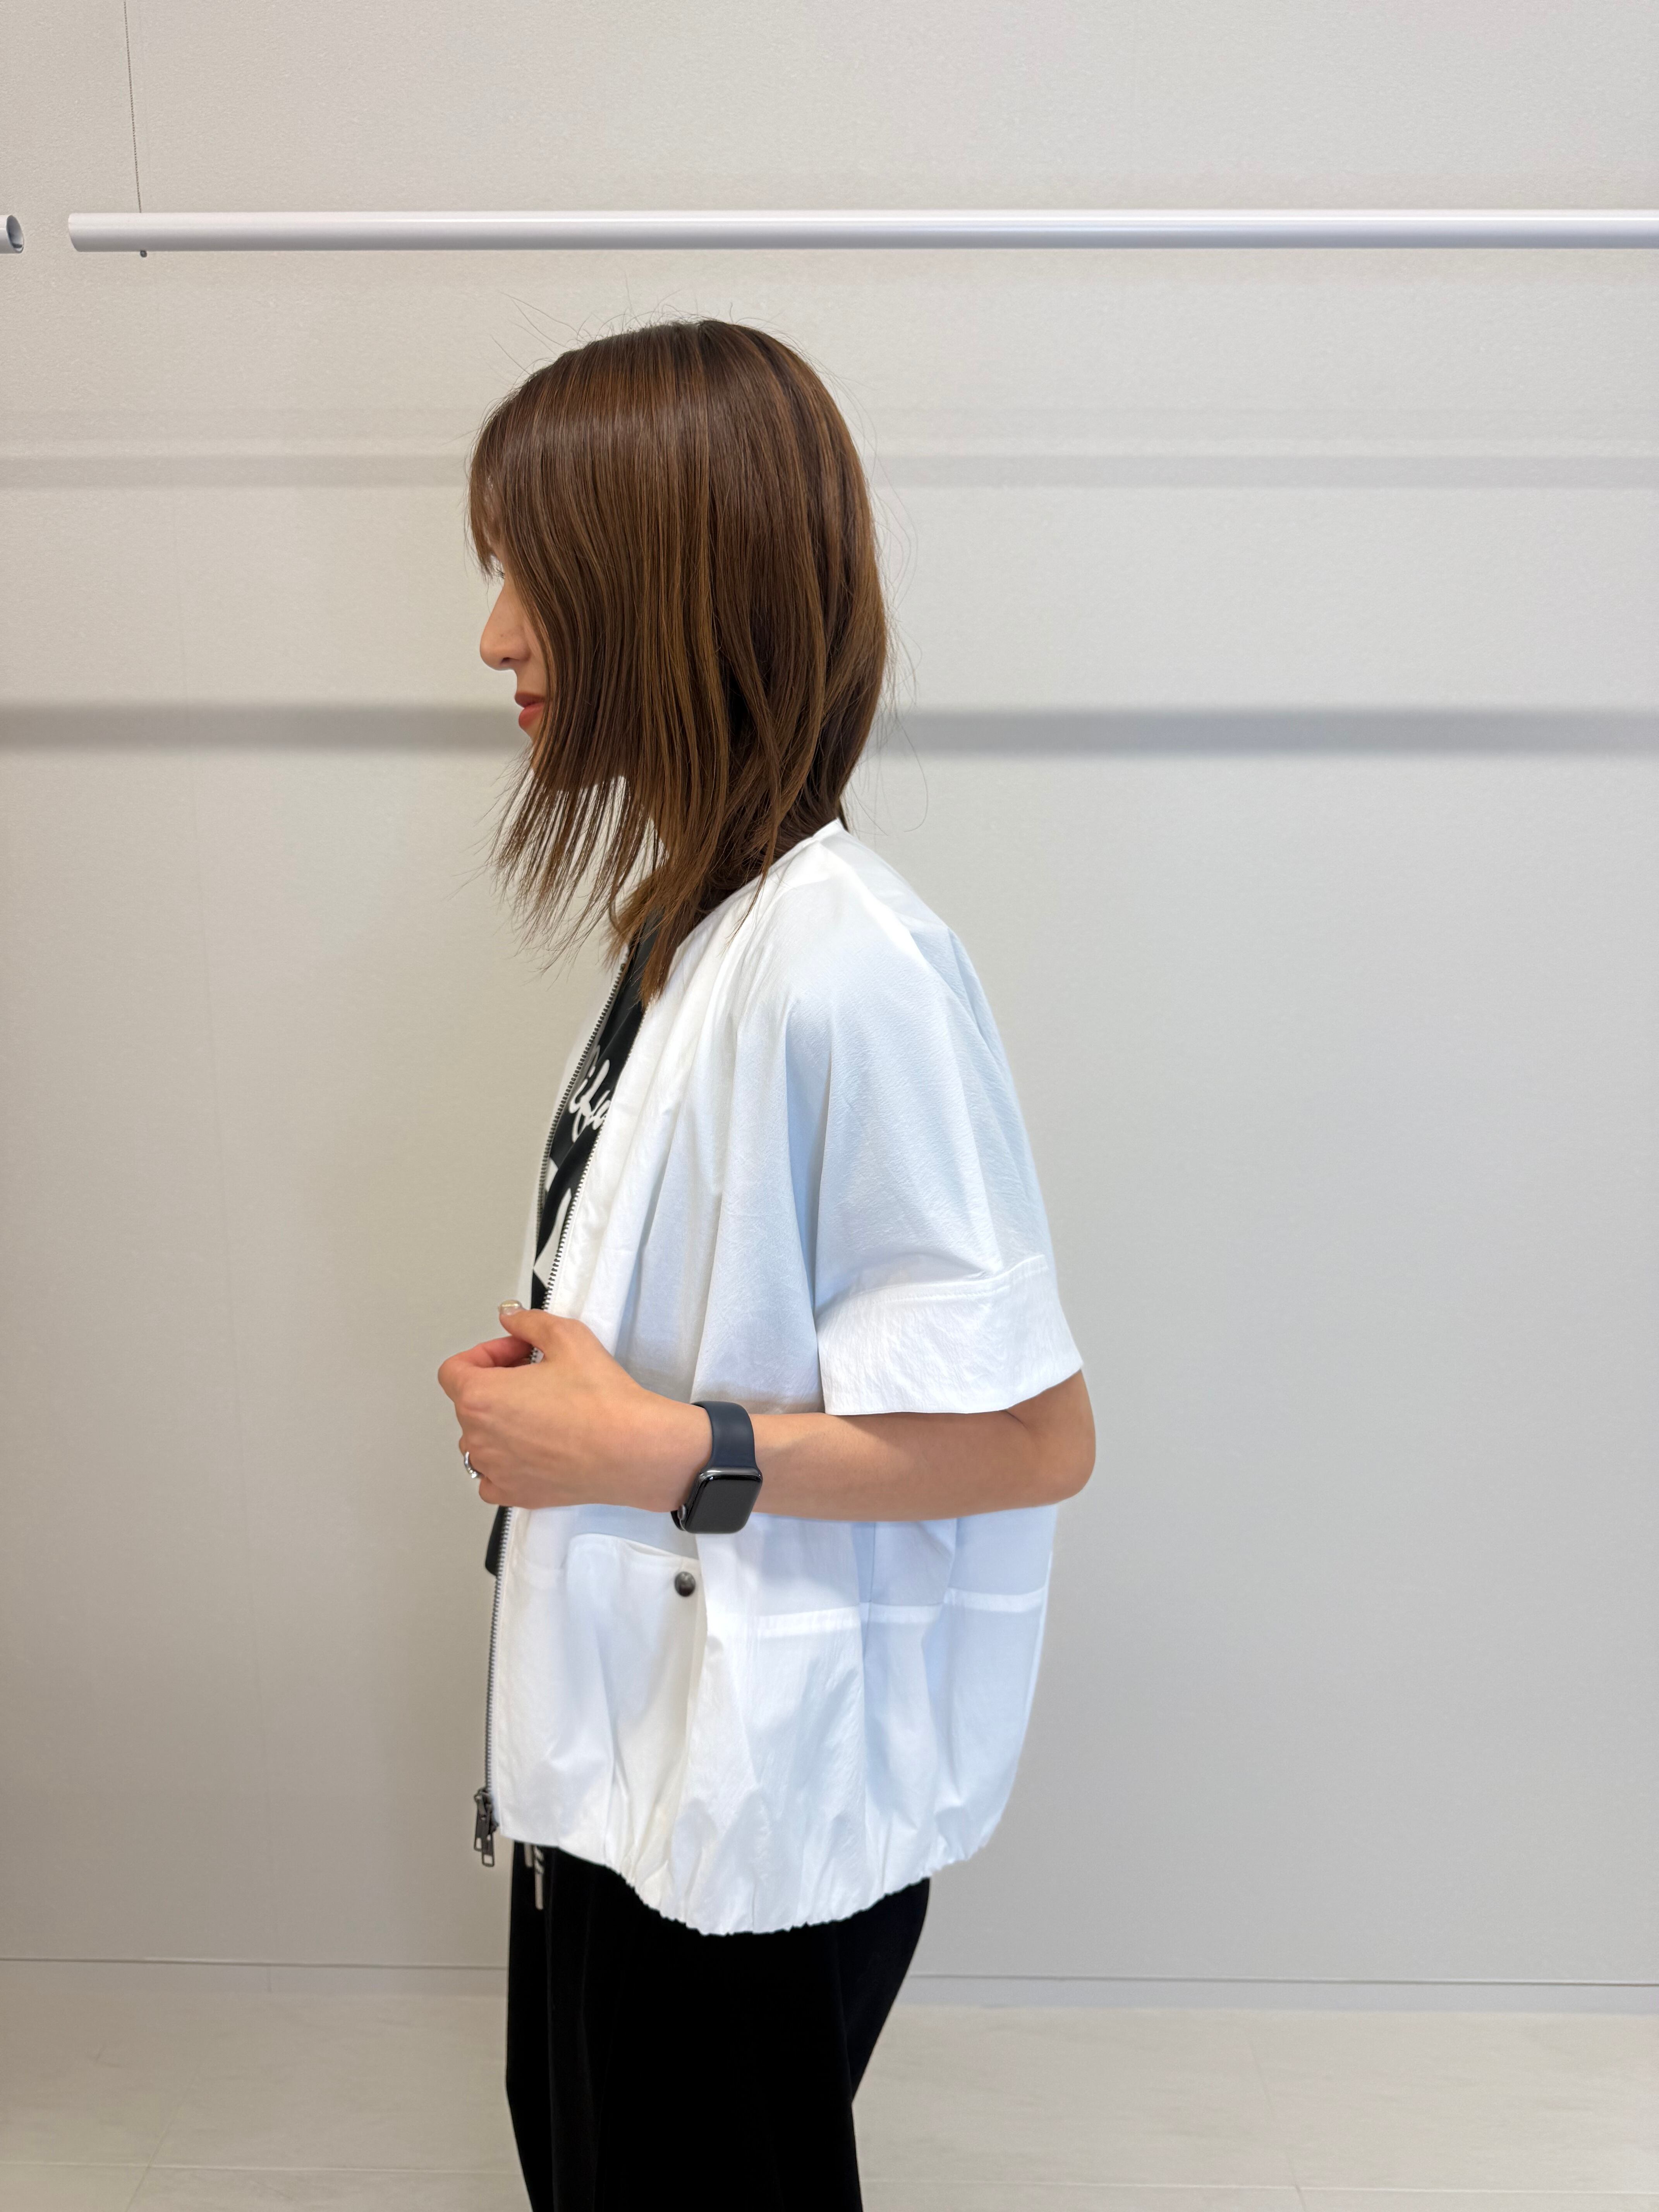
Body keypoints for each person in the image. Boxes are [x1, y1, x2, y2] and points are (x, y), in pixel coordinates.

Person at [436, 320, 1093, 2212]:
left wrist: (648, 1449)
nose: (494, 638)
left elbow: (1037, 1439)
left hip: (742, 1812)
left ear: (667, 593)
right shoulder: (691, 927)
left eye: (532, 578)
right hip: (634, 1770)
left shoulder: (852, 967)